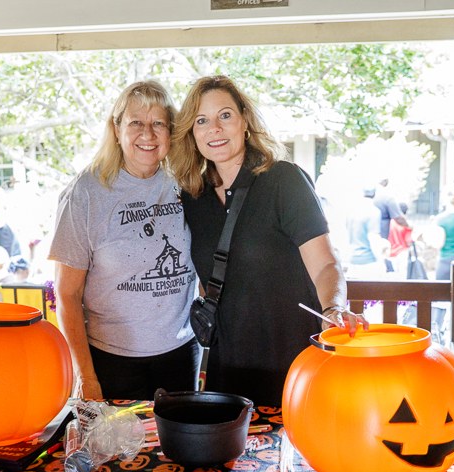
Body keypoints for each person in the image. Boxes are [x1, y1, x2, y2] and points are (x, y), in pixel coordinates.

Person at [171, 75, 367, 407]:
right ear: (192, 133)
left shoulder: (283, 181)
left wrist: (333, 308)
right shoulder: (193, 197)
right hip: (226, 370)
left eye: (225, 115)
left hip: (292, 365)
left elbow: (325, 264)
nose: (214, 129)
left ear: (244, 121)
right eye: (201, 121)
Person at [50, 81, 199, 401]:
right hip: (112, 362)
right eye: (136, 123)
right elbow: (67, 293)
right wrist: (86, 377)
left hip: (181, 355)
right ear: (116, 129)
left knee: (182, 450)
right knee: (120, 452)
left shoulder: (186, 181)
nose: (148, 133)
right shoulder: (86, 193)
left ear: (171, 132)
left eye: (158, 123)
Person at [346, 187, 386, 279]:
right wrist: (381, 262)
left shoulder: (351, 212)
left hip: (352, 262)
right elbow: (373, 238)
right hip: (368, 263)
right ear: (375, 194)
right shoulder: (374, 212)